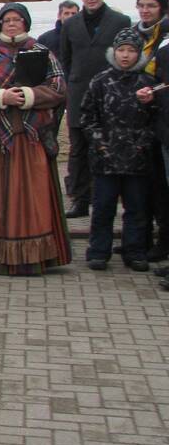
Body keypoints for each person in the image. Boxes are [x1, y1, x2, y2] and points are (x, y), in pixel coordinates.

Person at [0, 3, 71, 275]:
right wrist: (0, 97)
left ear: (26, 23)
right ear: (0, 25)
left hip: (29, 137)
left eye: (18, 19)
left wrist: (28, 96)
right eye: (7, 19)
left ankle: (30, 259)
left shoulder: (41, 52)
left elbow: (58, 87)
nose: (12, 23)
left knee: (29, 196)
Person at [81, 29, 156, 272]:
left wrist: (142, 143)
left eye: (131, 50)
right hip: (106, 158)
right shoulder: (100, 81)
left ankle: (134, 251)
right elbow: (87, 117)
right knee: (103, 207)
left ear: (139, 54)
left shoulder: (148, 85)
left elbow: (156, 121)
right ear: (114, 52)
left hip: (137, 158)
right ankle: (98, 251)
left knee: (136, 208)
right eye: (121, 50)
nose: (125, 55)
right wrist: (100, 143)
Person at [60, 0, 132, 218]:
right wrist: (71, 85)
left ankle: (108, 201)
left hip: (110, 95)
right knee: (78, 150)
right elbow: (65, 60)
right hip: (78, 94)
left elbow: (127, 55)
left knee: (107, 148)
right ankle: (80, 201)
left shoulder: (120, 21)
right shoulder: (71, 24)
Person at [132, 0, 169, 261]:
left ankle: (163, 240)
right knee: (143, 183)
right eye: (142, 5)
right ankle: (141, 239)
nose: (145, 10)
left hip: (160, 116)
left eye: (151, 6)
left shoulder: (164, 37)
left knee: (161, 186)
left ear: (162, 8)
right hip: (138, 117)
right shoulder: (135, 34)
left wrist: (153, 94)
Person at [37, 0, 79, 64]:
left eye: (73, 13)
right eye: (66, 13)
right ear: (59, 16)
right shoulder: (44, 39)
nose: (70, 16)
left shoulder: (86, 37)